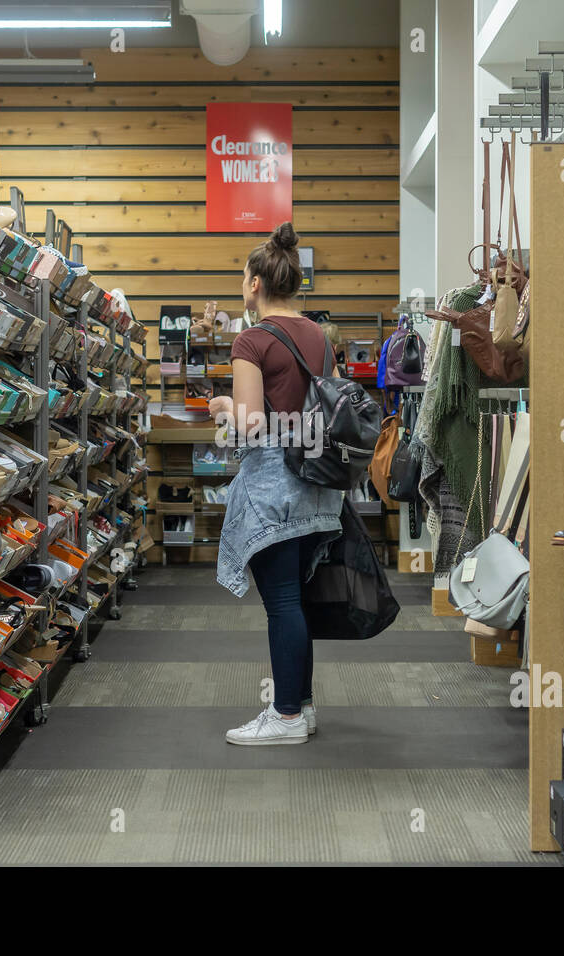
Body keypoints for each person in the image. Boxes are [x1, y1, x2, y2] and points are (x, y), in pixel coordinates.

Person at [209, 222, 344, 746]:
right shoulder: (319, 336)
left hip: (274, 486)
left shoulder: (252, 339)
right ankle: (301, 707)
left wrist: (224, 406)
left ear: (255, 284)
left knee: (282, 601)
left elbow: (244, 424)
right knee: (296, 598)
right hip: (320, 484)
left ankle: (285, 715)